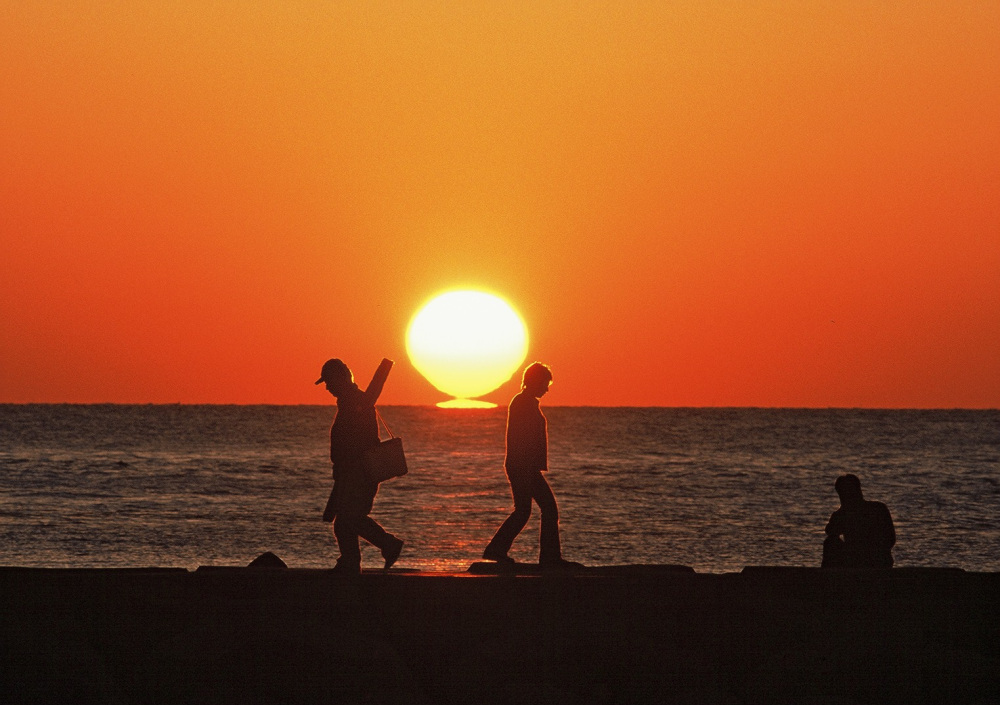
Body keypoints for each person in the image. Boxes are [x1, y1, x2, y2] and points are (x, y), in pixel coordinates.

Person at [483, 362, 581, 569]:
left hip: (526, 466)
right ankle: (546, 557)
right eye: (545, 383)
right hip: (522, 466)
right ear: (535, 381)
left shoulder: (525, 402)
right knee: (539, 509)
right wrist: (528, 465)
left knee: (531, 510)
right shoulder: (522, 403)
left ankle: (501, 550)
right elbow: (522, 438)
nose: (547, 388)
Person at [316, 357, 404, 575]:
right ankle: (352, 562)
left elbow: (373, 392)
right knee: (345, 520)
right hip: (351, 474)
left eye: (329, 381)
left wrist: (384, 366)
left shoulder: (358, 402)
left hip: (360, 473)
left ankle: (386, 546)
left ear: (341, 379)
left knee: (349, 519)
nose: (327, 387)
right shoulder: (351, 402)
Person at [822, 473, 895, 569]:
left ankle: (826, 579)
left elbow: (890, 539)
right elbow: (830, 531)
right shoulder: (878, 508)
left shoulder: (876, 509)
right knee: (831, 542)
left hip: (871, 560)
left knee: (830, 543)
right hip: (871, 560)